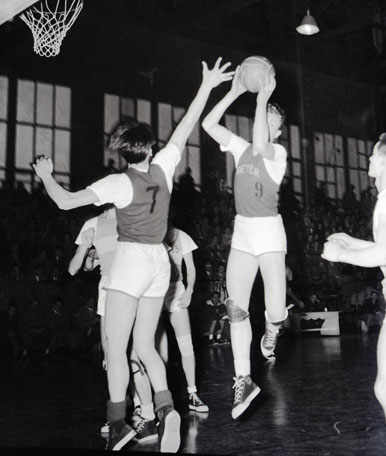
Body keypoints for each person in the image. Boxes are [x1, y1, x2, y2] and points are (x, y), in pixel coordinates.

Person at [32, 57, 234, 452]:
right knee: (146, 345)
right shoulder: (164, 167)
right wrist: (207, 85)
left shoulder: (118, 182)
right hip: (160, 264)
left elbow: (66, 202)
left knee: (117, 348)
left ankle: (117, 425)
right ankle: (166, 408)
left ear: (124, 153)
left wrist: (44, 176)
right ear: (150, 147)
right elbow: (187, 124)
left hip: (130, 262)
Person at [321, 133, 386, 456]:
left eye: (374, 154)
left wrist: (341, 254)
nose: (368, 159)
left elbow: (382, 255)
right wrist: (350, 241)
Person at [202, 68, 288, 419]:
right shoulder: (241, 148)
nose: (264, 123)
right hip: (243, 231)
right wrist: (235, 91)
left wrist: (263, 98)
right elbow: (208, 124)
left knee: (276, 310)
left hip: (269, 231)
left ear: (277, 131)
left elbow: (262, 142)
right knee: (235, 307)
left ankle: (273, 330)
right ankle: (243, 379)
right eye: (262, 117)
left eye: (271, 120)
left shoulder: (277, 153)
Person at [69, 209, 157, 444]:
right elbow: (76, 268)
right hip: (107, 288)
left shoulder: (131, 214)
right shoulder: (92, 224)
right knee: (110, 359)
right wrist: (86, 247)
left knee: (135, 357)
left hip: (132, 284)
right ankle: (119, 416)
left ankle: (146, 414)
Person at [158, 225, 208, 413]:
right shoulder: (149, 230)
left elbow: (191, 268)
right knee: (159, 349)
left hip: (175, 288)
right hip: (154, 289)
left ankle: (193, 395)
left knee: (186, 345)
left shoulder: (181, 235)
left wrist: (189, 290)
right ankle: (161, 399)